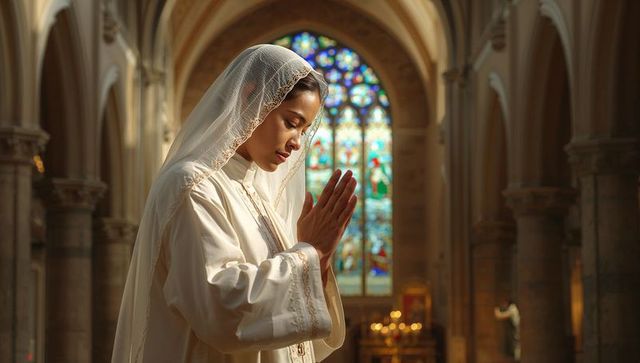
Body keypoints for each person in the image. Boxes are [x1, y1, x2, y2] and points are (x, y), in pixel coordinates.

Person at [111, 44, 357, 362]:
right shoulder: (194, 186)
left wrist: (316, 261)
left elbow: (295, 337)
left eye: (305, 129)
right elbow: (220, 310)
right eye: (292, 122)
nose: (298, 142)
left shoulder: (257, 196)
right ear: (250, 98)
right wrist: (309, 253)